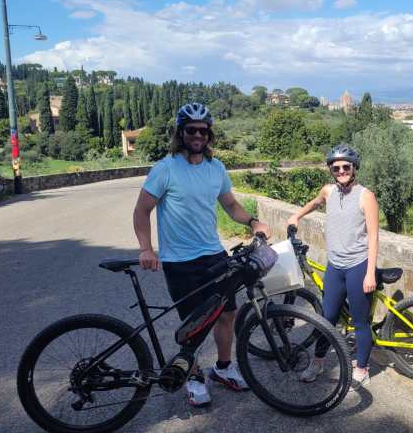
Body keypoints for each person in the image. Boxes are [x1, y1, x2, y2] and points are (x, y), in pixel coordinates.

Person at [133, 102, 271, 407]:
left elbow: (230, 206)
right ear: (181, 133)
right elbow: (142, 211)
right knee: (192, 325)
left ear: (209, 135)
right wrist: (146, 247)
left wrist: (252, 221)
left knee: (227, 314)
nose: (198, 135)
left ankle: (223, 368)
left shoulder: (216, 168)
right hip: (179, 261)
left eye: (203, 130)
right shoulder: (165, 168)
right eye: (191, 130)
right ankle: (193, 375)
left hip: (214, 255)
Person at [286, 144, 379, 388]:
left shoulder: (365, 195)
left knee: (360, 321)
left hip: (358, 266)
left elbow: (373, 237)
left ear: (354, 168)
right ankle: (317, 362)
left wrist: (370, 273)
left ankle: (362, 368)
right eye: (336, 168)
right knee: (326, 318)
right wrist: (297, 215)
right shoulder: (328, 191)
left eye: (346, 167)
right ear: (331, 170)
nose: (341, 171)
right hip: (335, 267)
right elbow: (314, 202)